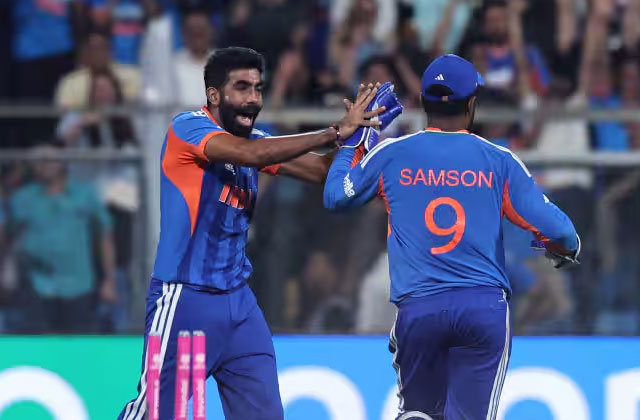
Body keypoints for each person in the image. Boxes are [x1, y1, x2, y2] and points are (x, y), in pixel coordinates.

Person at [117, 46, 394, 420]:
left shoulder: (256, 141)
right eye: (242, 88)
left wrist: (360, 139)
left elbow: (322, 172)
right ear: (214, 95)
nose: (253, 99)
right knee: (153, 413)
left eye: (258, 88)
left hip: (239, 305)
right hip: (186, 300)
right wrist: (333, 131)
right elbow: (252, 156)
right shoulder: (187, 128)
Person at [323, 54, 580, 420]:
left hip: (419, 308)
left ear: (423, 101)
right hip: (482, 308)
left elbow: (336, 197)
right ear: (472, 103)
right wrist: (559, 249)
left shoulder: (391, 154)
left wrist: (352, 143)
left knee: (420, 412)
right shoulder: (499, 160)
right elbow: (562, 232)